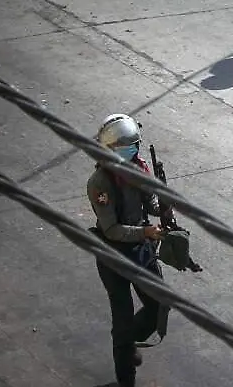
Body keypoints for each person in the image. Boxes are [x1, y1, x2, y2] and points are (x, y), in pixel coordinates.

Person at [87, 114, 165, 387]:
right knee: (122, 320)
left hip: (142, 251)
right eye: (126, 148)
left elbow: (151, 204)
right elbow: (111, 229)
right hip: (114, 256)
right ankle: (125, 378)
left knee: (159, 305)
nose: (133, 152)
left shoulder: (138, 169)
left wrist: (165, 203)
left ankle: (129, 342)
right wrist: (146, 232)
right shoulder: (100, 182)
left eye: (134, 146)